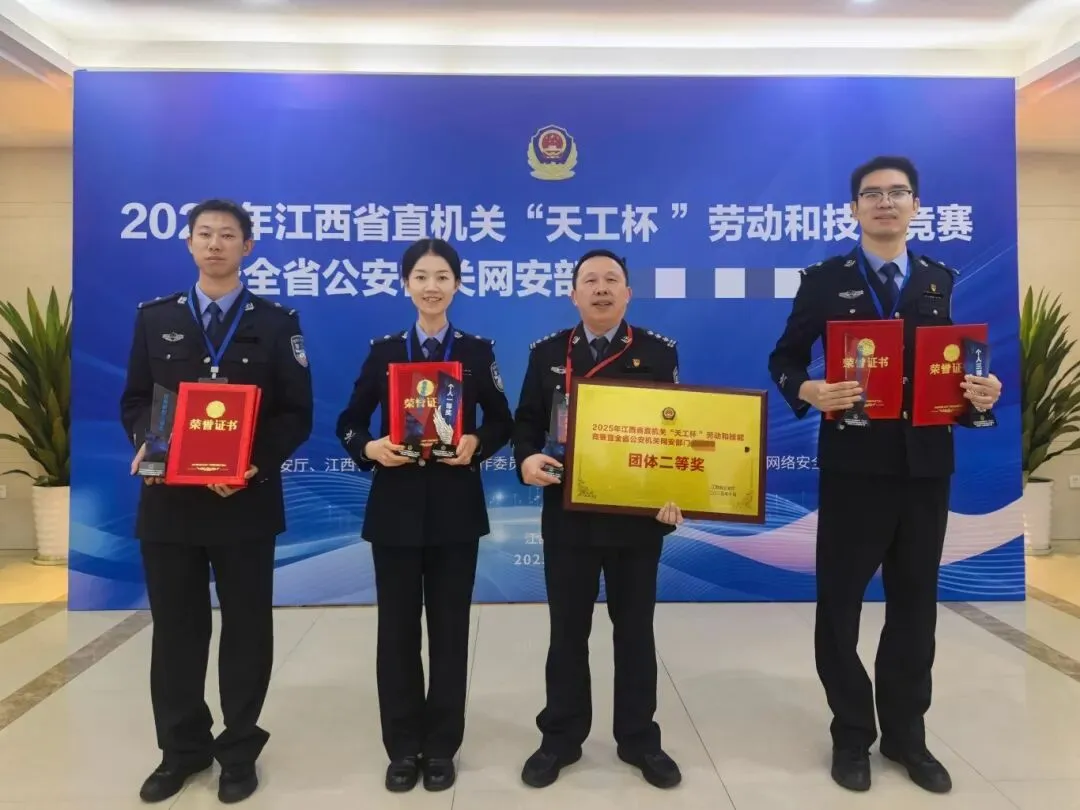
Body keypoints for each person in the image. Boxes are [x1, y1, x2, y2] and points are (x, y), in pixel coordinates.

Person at [767, 156, 1002, 795]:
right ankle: (851, 733)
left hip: (926, 468)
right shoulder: (825, 281)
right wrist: (809, 389)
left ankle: (905, 735)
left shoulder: (939, 280)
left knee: (915, 606)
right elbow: (784, 358)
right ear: (855, 209)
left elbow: (957, 369)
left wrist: (981, 392)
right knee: (839, 605)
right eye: (872, 194)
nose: (885, 202)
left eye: (898, 193)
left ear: (915, 206)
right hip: (853, 466)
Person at [120, 199, 313, 805]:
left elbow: (296, 413)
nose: (215, 244)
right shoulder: (155, 317)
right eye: (204, 234)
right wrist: (148, 444)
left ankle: (238, 750)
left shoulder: (277, 323)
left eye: (228, 235)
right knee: (177, 632)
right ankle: (181, 750)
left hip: (244, 501)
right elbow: (135, 400)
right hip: (169, 504)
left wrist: (254, 464)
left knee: (247, 630)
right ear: (189, 243)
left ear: (247, 247)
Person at [336, 237, 513, 793]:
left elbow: (503, 421)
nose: (431, 287)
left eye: (442, 277)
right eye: (421, 277)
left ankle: (440, 747)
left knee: (450, 631)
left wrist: (477, 443)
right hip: (394, 509)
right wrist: (370, 448)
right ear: (406, 284)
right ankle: (401, 747)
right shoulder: (385, 352)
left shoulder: (476, 352)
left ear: (456, 285)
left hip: (456, 510)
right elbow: (350, 421)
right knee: (396, 632)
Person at [512, 248, 685, 790]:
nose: (602, 288)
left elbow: (679, 430)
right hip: (568, 515)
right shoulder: (547, 353)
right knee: (567, 632)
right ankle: (560, 738)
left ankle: (639, 739)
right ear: (574, 294)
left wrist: (678, 492)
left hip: (636, 517)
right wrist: (526, 459)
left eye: (612, 279)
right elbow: (526, 421)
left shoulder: (657, 352)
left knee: (635, 632)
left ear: (628, 293)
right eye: (590, 280)